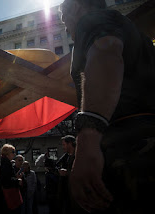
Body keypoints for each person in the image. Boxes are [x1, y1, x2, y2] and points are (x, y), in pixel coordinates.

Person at [60, 0, 155, 213]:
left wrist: (88, 141)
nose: (65, 27)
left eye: (64, 18)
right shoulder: (138, 37)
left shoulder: (90, 20)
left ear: (76, 6)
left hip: (128, 150)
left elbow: (107, 51)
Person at [0, 144, 23, 214]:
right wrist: (17, 181)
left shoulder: (3, 162)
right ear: (7, 153)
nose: (14, 154)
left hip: (0, 195)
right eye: (12, 152)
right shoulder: (5, 163)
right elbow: (6, 180)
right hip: (5, 196)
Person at [56, 135, 76, 214]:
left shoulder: (78, 156)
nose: (62, 147)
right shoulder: (66, 157)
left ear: (70, 144)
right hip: (67, 194)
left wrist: (67, 173)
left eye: (64, 144)